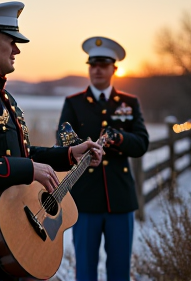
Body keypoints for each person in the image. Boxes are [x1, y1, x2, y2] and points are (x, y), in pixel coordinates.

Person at [0, 2, 104, 281]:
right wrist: (27, 170)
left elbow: (22, 153)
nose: (17, 49)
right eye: (12, 41)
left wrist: (70, 154)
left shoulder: (4, 98)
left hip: (18, 243)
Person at [57, 36, 149, 281]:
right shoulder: (74, 103)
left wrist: (117, 137)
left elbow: (141, 143)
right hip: (85, 199)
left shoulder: (129, 103)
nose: (97, 69)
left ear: (114, 69)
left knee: (119, 270)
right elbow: (63, 138)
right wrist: (81, 146)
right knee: (85, 269)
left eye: (103, 64)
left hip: (120, 198)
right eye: (93, 64)